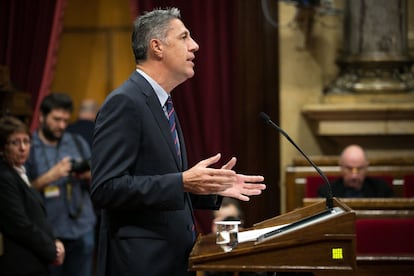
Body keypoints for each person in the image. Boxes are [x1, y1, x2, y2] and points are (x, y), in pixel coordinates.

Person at [91, 7, 266, 276]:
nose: (195, 46)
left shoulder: (163, 103)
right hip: (141, 263)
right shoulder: (125, 102)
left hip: (173, 259)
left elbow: (160, 183)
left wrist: (209, 187)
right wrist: (182, 181)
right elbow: (106, 188)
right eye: (184, 37)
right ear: (157, 47)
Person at [25, 93, 96, 276]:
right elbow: (21, 193)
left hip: (82, 227)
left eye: (65, 120)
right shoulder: (28, 148)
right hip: (49, 232)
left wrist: (88, 176)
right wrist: (50, 176)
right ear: (41, 116)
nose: (62, 126)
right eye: (56, 119)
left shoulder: (77, 142)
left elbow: (96, 181)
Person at [0, 116, 65, 275]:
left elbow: (36, 217)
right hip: (20, 264)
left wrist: (54, 241)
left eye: (26, 141)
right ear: (2, 147)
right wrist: (51, 249)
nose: (23, 148)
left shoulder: (18, 171)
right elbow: (20, 225)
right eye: (15, 142)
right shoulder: (4, 176)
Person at [318, 144, 393, 198]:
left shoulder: (381, 190)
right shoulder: (327, 192)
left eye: (359, 169)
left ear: (366, 167)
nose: (354, 175)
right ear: (341, 167)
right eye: (349, 169)